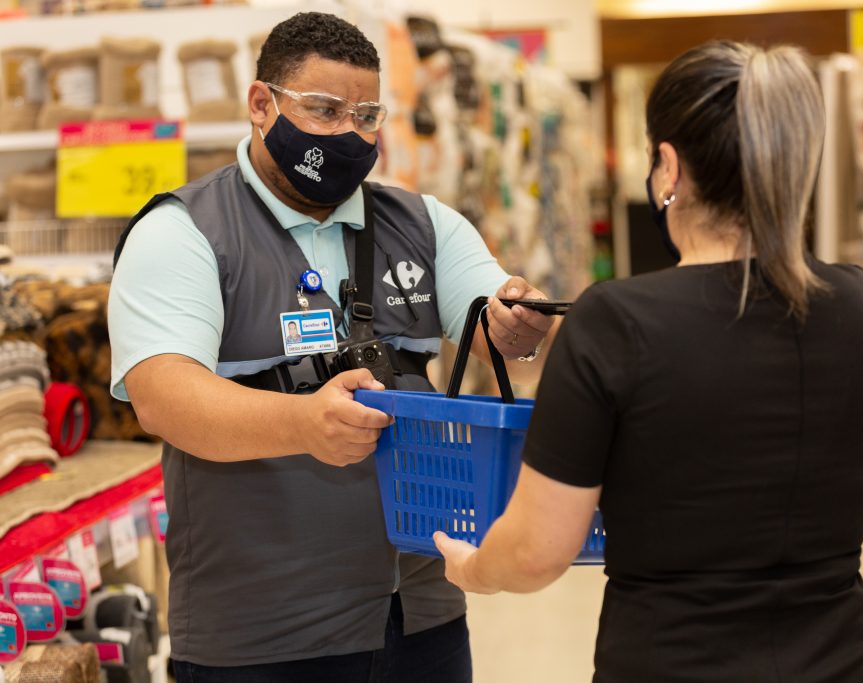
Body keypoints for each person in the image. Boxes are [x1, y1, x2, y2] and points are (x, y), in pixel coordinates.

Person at [108, 12, 557, 682]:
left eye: (367, 115)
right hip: (261, 635)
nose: (350, 133)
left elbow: (492, 309)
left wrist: (515, 323)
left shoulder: (426, 225)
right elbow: (161, 394)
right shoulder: (183, 233)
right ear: (262, 104)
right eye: (323, 110)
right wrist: (303, 422)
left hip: (423, 615)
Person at [435, 41, 863, 683]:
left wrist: (473, 568)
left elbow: (539, 549)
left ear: (669, 170)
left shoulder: (616, 321)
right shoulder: (862, 304)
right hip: (847, 660)